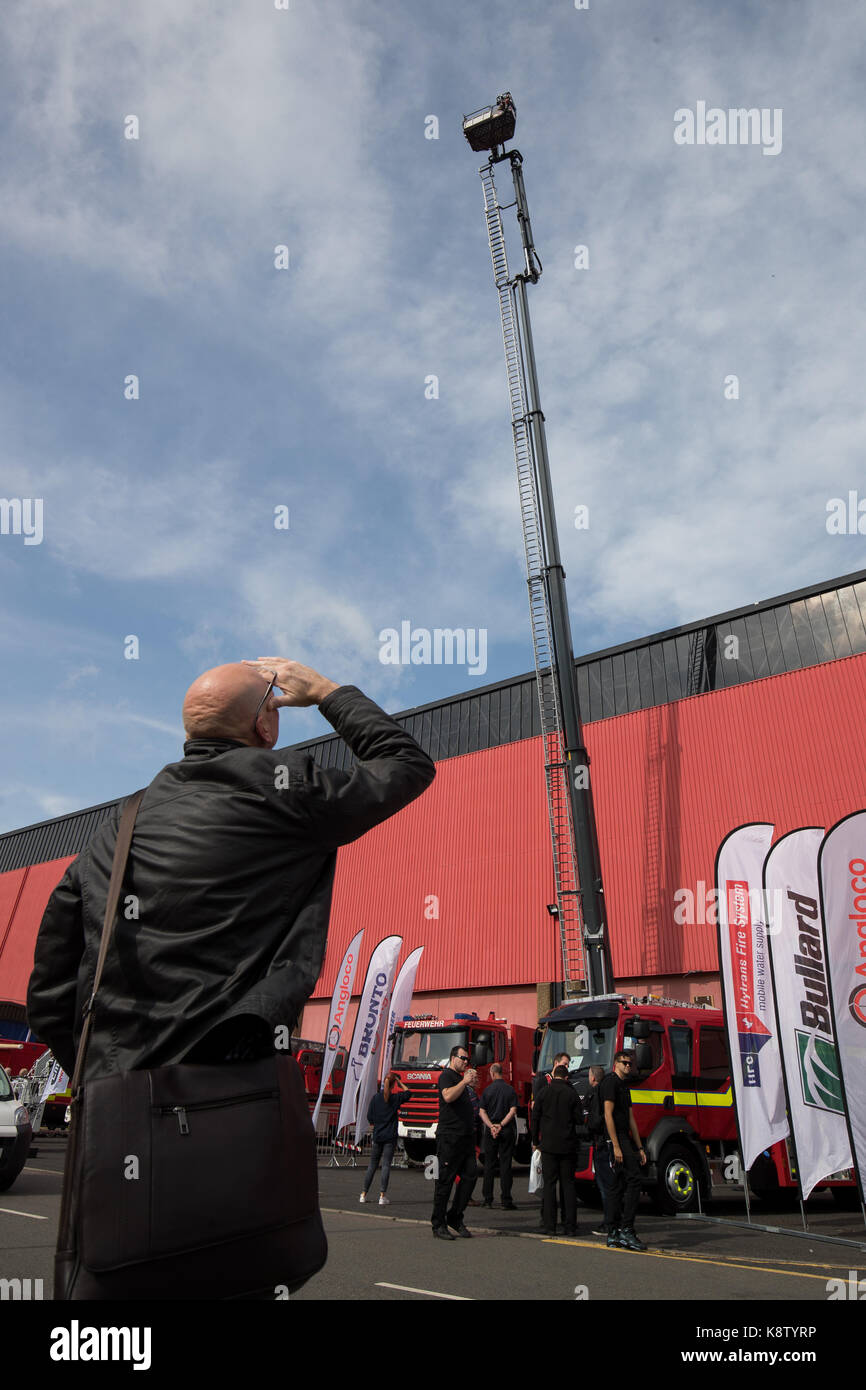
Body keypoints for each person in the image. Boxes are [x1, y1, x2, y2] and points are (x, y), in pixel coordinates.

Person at [26, 658, 436, 1293]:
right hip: (235, 1114)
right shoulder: (286, 788)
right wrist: (326, 692)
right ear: (267, 725)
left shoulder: (118, 827)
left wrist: (105, 1076)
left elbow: (50, 990)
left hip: (117, 1126)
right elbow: (405, 766)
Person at [600, 1050, 648, 1251]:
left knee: (618, 1185)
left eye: (630, 1063)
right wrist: (617, 1145)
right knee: (633, 1179)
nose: (628, 1066)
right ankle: (624, 1229)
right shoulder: (610, 1083)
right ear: (615, 1063)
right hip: (615, 1138)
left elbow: (631, 1119)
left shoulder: (624, 1086)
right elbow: (607, 1115)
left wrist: (639, 1147)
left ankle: (615, 1231)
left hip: (624, 1138)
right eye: (624, 1063)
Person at [431, 1044, 478, 1239]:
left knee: (470, 1177)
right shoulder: (446, 1076)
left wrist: (470, 1083)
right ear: (453, 1058)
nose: (466, 1062)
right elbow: (448, 1096)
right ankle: (438, 1223)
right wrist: (464, 1082)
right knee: (445, 1181)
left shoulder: (461, 1079)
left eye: (468, 1059)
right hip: (450, 1137)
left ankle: (455, 1216)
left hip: (466, 1138)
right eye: (463, 1058)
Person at [531, 1064, 581, 1237]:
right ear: (566, 1078)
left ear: (554, 1076)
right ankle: (570, 1226)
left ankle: (549, 1225)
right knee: (568, 1185)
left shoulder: (544, 1093)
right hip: (567, 1145)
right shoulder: (571, 1094)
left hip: (549, 1145)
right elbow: (579, 1119)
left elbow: (535, 1117)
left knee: (549, 1185)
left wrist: (535, 1141)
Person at [360, 1073, 412, 1206]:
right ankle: (382, 1195)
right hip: (389, 1136)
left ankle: (363, 1194)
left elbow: (369, 1117)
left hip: (377, 1135)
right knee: (386, 1165)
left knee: (372, 1165)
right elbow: (409, 1093)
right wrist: (400, 1083)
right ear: (394, 1084)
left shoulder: (375, 1098)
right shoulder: (395, 1098)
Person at [479, 1062, 518, 1209]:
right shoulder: (510, 1090)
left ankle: (488, 1199)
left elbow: (482, 1111)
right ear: (501, 1073)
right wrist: (501, 1125)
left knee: (489, 1165)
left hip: (491, 1131)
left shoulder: (487, 1091)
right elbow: (513, 1110)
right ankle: (506, 1200)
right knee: (505, 1164)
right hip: (506, 1130)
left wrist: (491, 1126)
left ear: (493, 1073)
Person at [586, 1064, 615, 1236]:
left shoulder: (595, 1094)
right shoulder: (605, 1092)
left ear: (592, 1078)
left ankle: (609, 1223)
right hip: (607, 1142)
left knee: (605, 1185)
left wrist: (588, 1124)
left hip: (601, 1143)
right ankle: (612, 1221)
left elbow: (596, 1121)